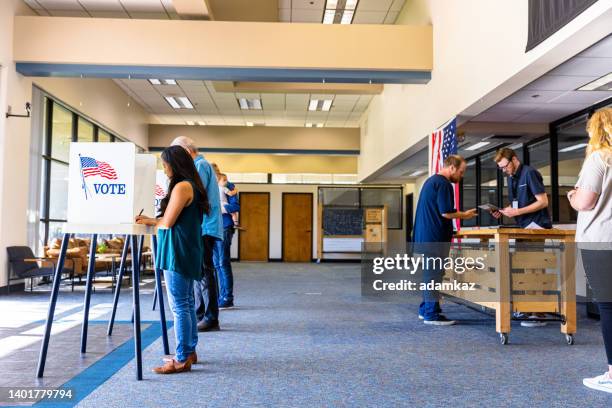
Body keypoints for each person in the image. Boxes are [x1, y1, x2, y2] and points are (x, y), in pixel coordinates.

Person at [136, 145, 209, 374]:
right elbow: (172, 218)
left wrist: (149, 221)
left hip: (178, 250)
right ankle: (189, 351)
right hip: (186, 248)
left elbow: (167, 223)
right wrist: (152, 219)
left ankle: (181, 358)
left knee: (180, 305)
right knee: (186, 302)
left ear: (174, 164)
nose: (164, 168)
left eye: (165, 163)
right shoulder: (191, 185)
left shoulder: (182, 187)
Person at [567, 107, 612, 394]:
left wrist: (571, 195)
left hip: (601, 242)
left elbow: (585, 202)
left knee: (608, 306)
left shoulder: (600, 158)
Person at [413, 155, 477, 325]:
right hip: (435, 238)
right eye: (461, 172)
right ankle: (431, 315)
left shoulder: (431, 181)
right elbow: (446, 212)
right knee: (433, 275)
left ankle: (426, 309)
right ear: (452, 168)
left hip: (427, 237)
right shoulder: (443, 184)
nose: (461, 176)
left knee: (431, 275)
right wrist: (465, 215)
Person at [493, 147, 553, 327]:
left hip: (536, 227)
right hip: (522, 227)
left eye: (505, 166)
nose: (504, 170)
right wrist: (504, 210)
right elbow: (517, 203)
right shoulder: (512, 178)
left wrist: (517, 211)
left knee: (535, 269)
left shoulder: (529, 173)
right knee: (523, 268)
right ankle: (526, 308)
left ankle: (539, 312)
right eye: (501, 168)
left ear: (514, 159)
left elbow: (543, 201)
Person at [171, 136, 223, 332]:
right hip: (204, 226)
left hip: (204, 227)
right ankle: (201, 313)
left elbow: (192, 196)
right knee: (201, 272)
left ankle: (209, 316)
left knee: (203, 272)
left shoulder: (199, 166)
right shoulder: (202, 165)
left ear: (186, 151)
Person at [215, 169, 240, 308]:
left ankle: (227, 297)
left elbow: (236, 206)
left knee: (223, 262)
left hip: (224, 226)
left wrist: (221, 208)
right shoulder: (206, 186)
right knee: (216, 264)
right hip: (210, 228)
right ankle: (221, 296)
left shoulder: (229, 186)